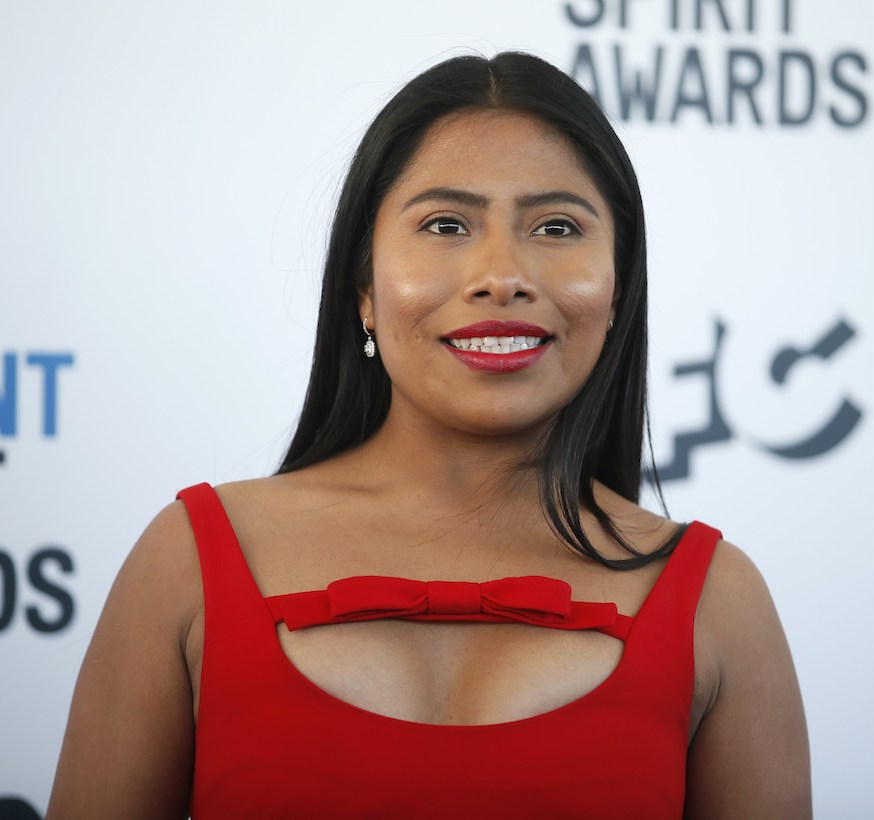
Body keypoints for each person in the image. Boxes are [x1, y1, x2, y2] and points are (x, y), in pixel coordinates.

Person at [47, 52, 811, 818]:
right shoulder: (190, 559)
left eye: (556, 226)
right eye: (446, 224)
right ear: (364, 288)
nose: (501, 274)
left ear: (617, 291)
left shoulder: (719, 598)